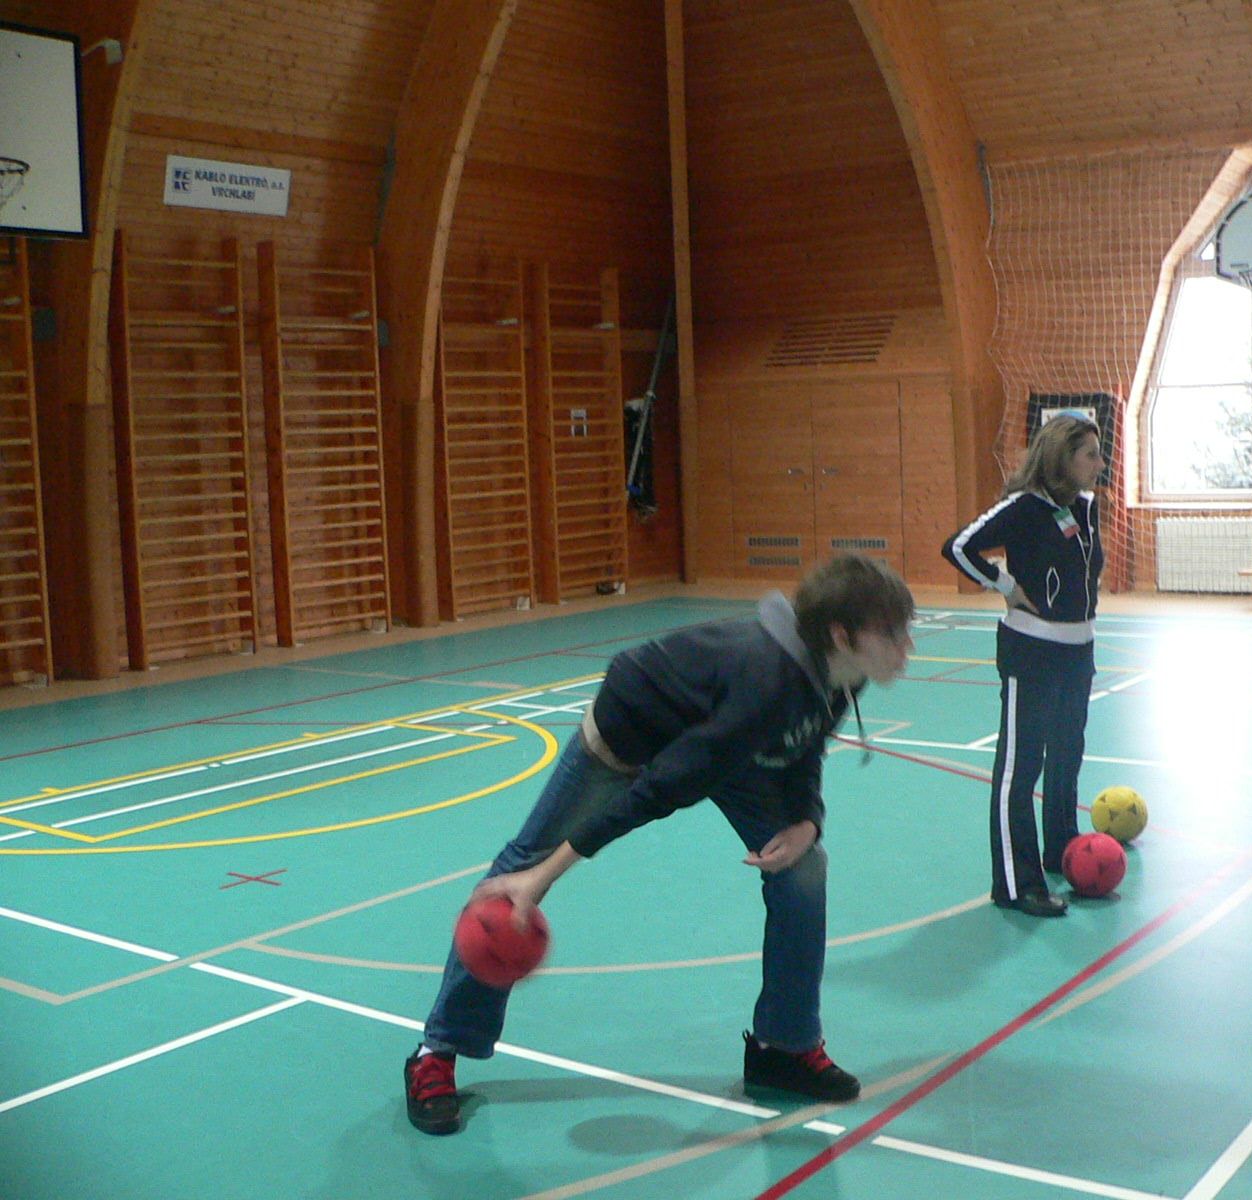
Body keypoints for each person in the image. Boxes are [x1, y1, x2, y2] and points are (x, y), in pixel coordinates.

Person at [404, 554, 916, 1134]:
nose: (907, 648)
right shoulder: (765, 681)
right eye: (892, 634)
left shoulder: (838, 672)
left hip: (726, 741)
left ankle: (783, 1048)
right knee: (519, 875)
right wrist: (543, 876)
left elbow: (803, 748)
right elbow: (660, 788)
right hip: (630, 732)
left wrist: (806, 821)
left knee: (804, 868)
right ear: (841, 634)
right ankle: (437, 1051)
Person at [941, 414, 1105, 918]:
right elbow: (958, 547)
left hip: (1078, 651)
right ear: (1062, 458)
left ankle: (1062, 851)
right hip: (1031, 651)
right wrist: (1006, 585)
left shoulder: (1085, 506)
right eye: (1090, 454)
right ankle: (1016, 884)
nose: (1100, 464)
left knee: (1067, 754)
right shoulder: (1024, 507)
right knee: (1021, 766)